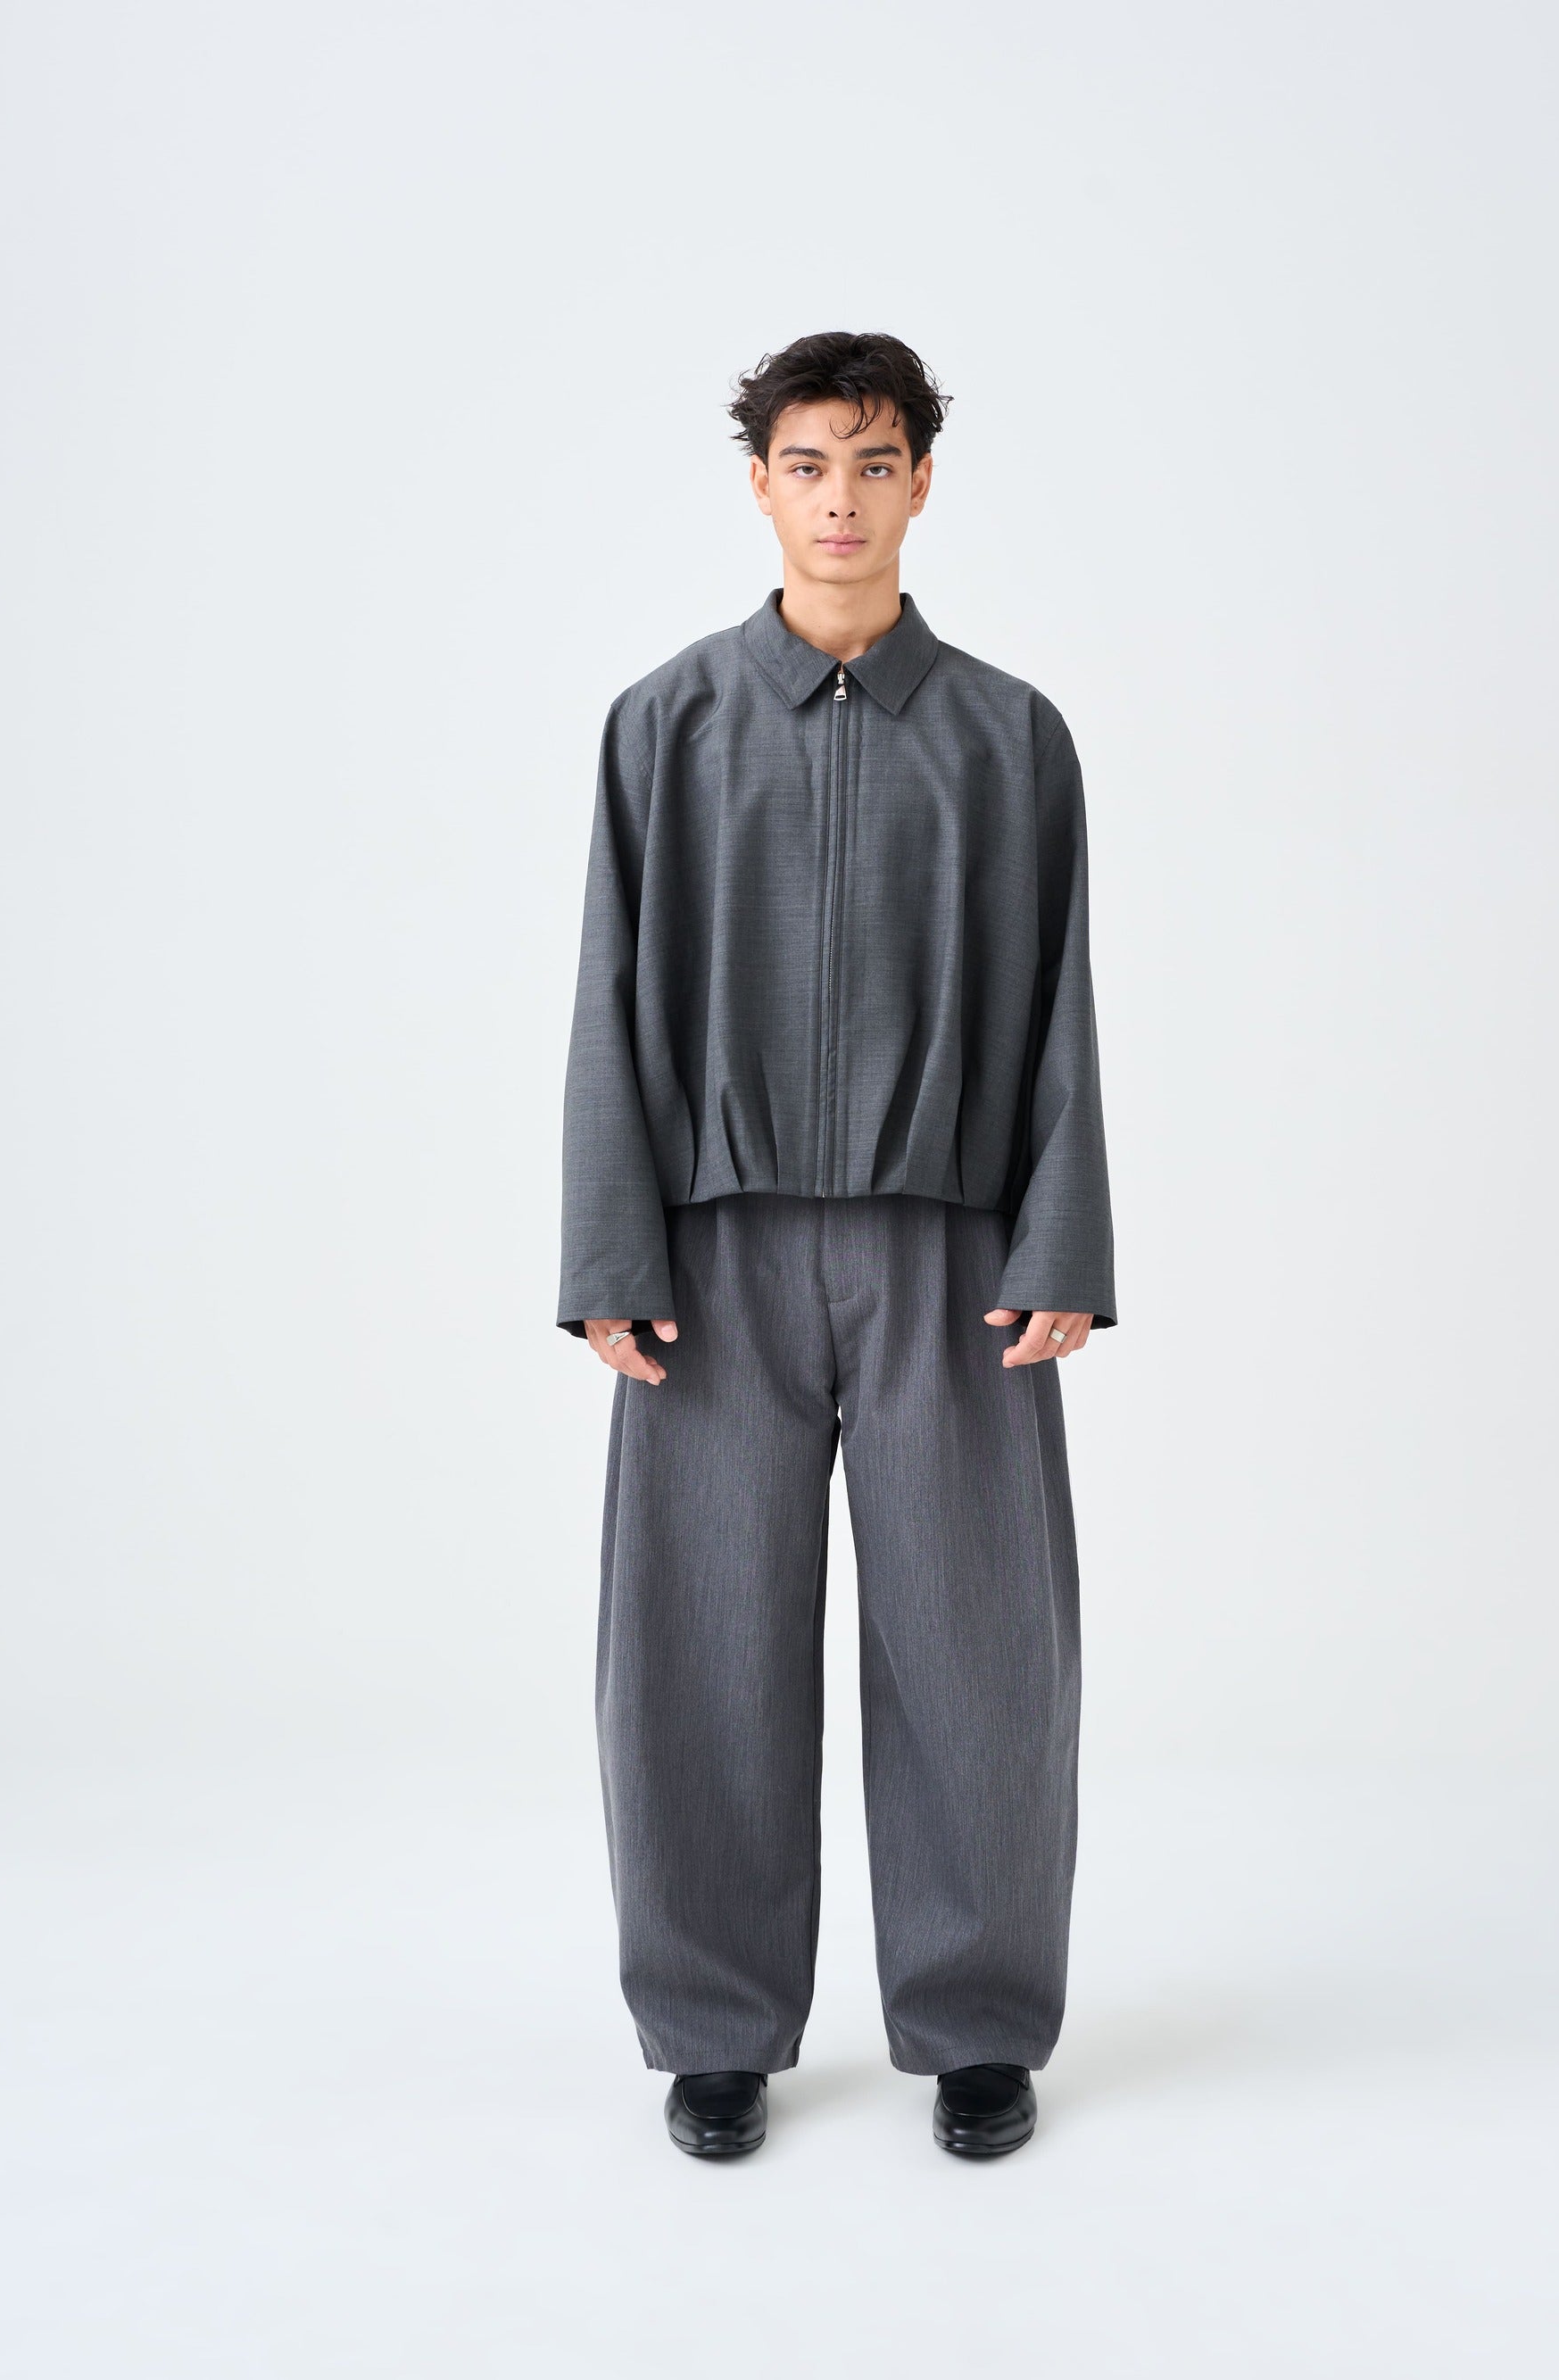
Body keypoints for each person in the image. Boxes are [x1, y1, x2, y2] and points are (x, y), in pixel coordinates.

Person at [558, 330, 1115, 2159]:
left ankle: (978, 2023)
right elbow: (608, 1001)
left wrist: (1060, 1237)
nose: (842, 499)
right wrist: (610, 1253)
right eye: (809, 464)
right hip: (710, 1258)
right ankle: (714, 2025)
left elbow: (1060, 1003)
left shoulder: (1011, 735)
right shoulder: (664, 724)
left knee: (980, 1649)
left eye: (876, 464)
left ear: (922, 484)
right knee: (697, 1648)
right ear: (761, 486)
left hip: (953, 1254)